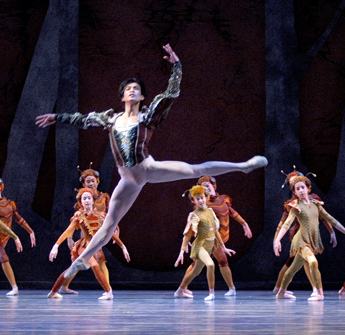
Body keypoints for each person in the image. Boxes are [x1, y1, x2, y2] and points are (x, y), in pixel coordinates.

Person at [35, 44, 267, 278]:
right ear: (122, 95)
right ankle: (81, 261)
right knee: (108, 226)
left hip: (147, 168)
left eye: (136, 89)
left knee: (195, 169)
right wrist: (57, 117)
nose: (132, 91)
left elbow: (171, 95)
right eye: (128, 88)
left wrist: (177, 66)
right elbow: (82, 119)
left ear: (143, 96)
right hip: (127, 180)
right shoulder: (111, 119)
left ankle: (243, 167)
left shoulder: (147, 116)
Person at [273, 175, 345, 301]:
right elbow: (287, 223)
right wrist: (277, 240)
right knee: (313, 262)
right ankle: (319, 293)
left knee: (294, 268)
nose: (300, 190)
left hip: (311, 239)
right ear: (294, 192)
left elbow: (330, 219)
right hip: (301, 240)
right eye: (297, 189)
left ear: (307, 188)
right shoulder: (296, 207)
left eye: (302, 187)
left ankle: (281, 292)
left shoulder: (316, 204)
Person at [47, 188, 130, 300]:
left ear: (92, 200)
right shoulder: (79, 215)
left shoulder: (101, 215)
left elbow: (110, 232)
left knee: (71, 269)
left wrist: (122, 246)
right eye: (84, 198)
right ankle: (109, 292)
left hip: (95, 246)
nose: (86, 200)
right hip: (84, 246)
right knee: (95, 265)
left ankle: (53, 292)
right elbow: (68, 231)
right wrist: (56, 245)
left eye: (88, 198)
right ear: (81, 202)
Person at [181, 176, 251, 297]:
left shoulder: (223, 199)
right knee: (202, 264)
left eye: (207, 184)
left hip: (219, 238)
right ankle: (183, 288)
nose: (205, 186)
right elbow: (193, 220)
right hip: (209, 239)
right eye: (202, 185)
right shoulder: (203, 204)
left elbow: (232, 212)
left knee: (220, 261)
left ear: (213, 186)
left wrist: (244, 224)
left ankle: (231, 288)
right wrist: (186, 238)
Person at [174, 185, 235, 301]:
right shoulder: (194, 215)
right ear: (194, 201)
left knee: (195, 272)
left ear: (206, 197)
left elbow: (216, 231)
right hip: (201, 246)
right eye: (198, 199)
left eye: (202, 198)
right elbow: (187, 234)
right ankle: (211, 293)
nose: (201, 201)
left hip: (212, 245)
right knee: (210, 265)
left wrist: (224, 247)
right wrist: (181, 251)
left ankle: (179, 291)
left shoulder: (211, 211)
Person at [60, 167, 114, 295]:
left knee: (79, 262)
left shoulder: (104, 197)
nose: (91, 183)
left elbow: (112, 214)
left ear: (97, 182)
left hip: (101, 233)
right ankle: (108, 290)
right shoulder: (84, 198)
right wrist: (69, 237)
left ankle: (63, 286)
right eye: (87, 182)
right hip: (88, 234)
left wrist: (115, 229)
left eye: (92, 181)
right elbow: (75, 220)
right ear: (84, 184)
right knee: (99, 259)